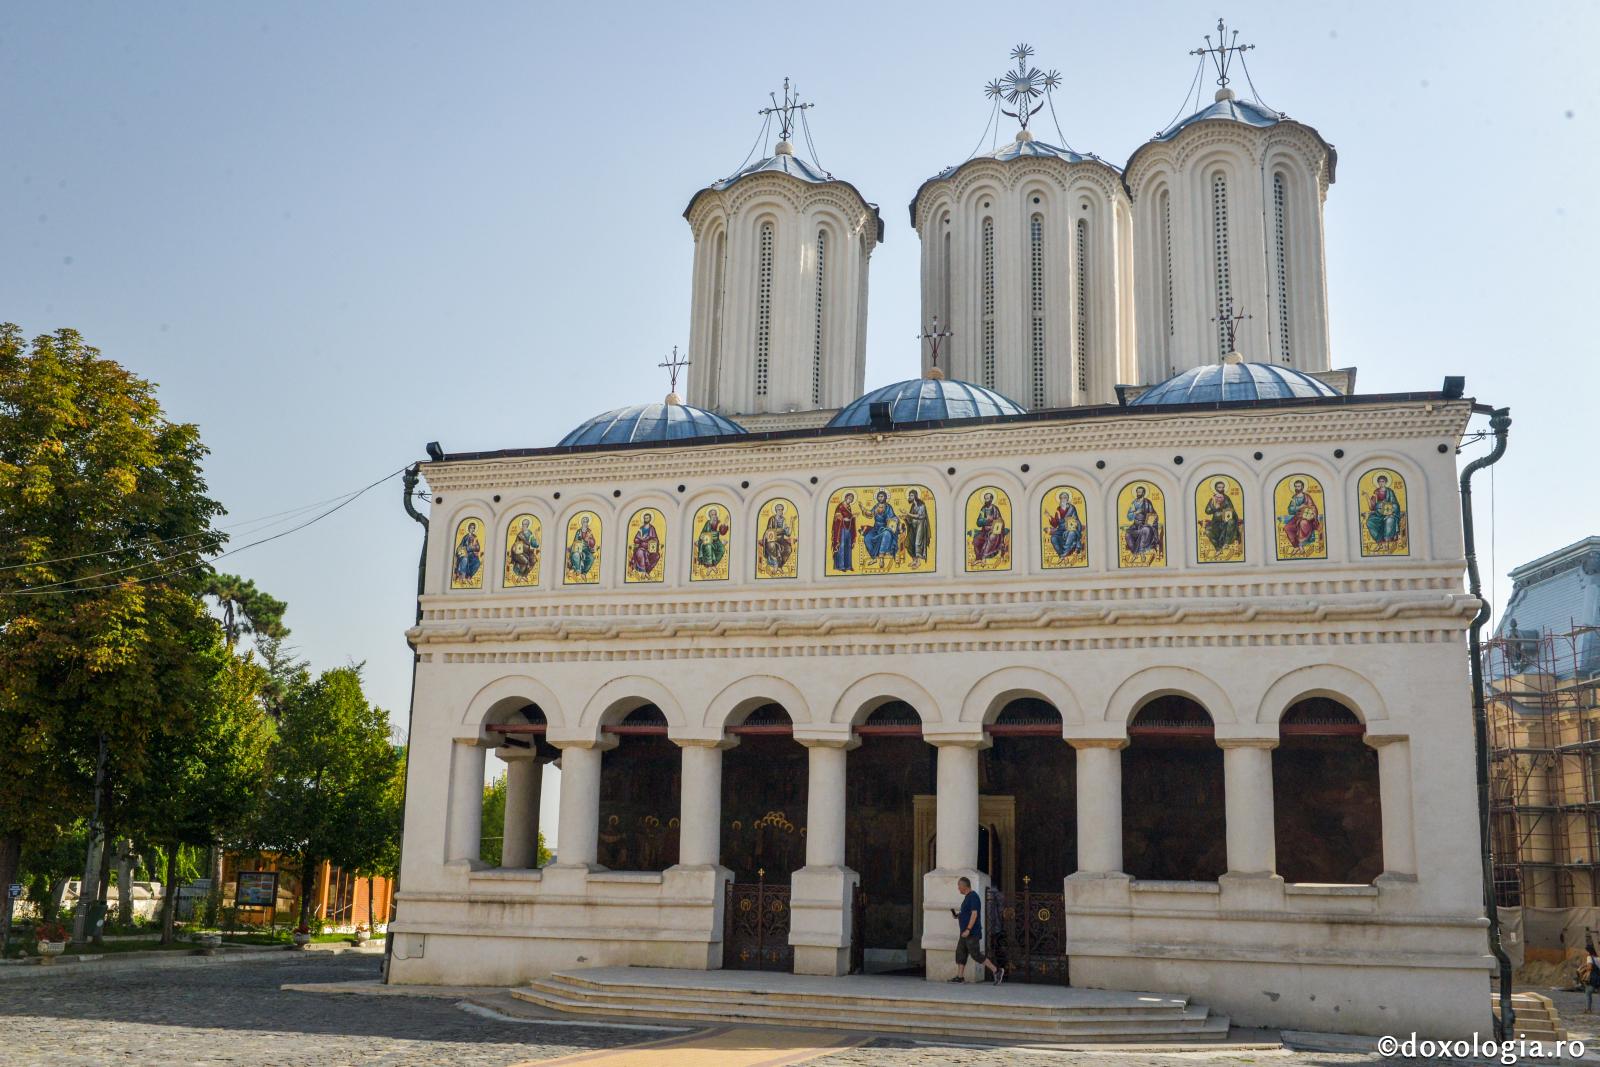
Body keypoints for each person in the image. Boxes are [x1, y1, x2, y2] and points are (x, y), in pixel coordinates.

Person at [948, 876, 1003, 984]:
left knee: (975, 954)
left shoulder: (973, 897)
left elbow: (974, 914)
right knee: (961, 953)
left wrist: (968, 929)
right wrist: (958, 915)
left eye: (959, 886)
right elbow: (967, 913)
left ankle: (996, 970)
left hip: (971, 932)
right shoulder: (967, 897)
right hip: (964, 933)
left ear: (964, 886)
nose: (958, 888)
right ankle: (960, 977)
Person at [1586, 945, 1600, 1012]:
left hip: (1593, 978)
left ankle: (1588, 1009)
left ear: (1589, 951)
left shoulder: (1589, 957)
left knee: (1588, 992)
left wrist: (1586, 972)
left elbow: (1590, 967)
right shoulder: (1598, 958)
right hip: (1599, 978)